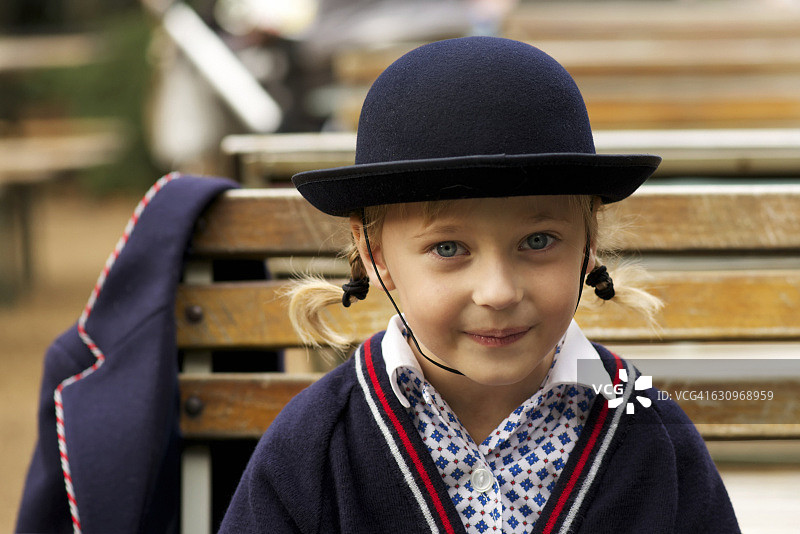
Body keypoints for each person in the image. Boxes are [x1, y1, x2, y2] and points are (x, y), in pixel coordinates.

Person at [219, 36, 740, 533]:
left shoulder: (651, 427)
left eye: (537, 241)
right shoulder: (313, 444)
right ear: (373, 251)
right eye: (448, 248)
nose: (498, 292)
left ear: (589, 241)